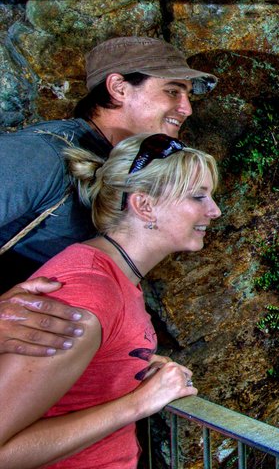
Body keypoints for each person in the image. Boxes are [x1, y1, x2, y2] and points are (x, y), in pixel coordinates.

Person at [0, 132, 221, 468]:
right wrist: (138, 403)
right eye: (197, 197)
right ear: (144, 205)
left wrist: (128, 366)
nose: (215, 211)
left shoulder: (113, 279)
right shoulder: (89, 293)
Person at [0, 36, 216, 357]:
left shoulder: (125, 168)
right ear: (118, 88)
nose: (186, 108)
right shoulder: (40, 155)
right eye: (172, 91)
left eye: (187, 95)